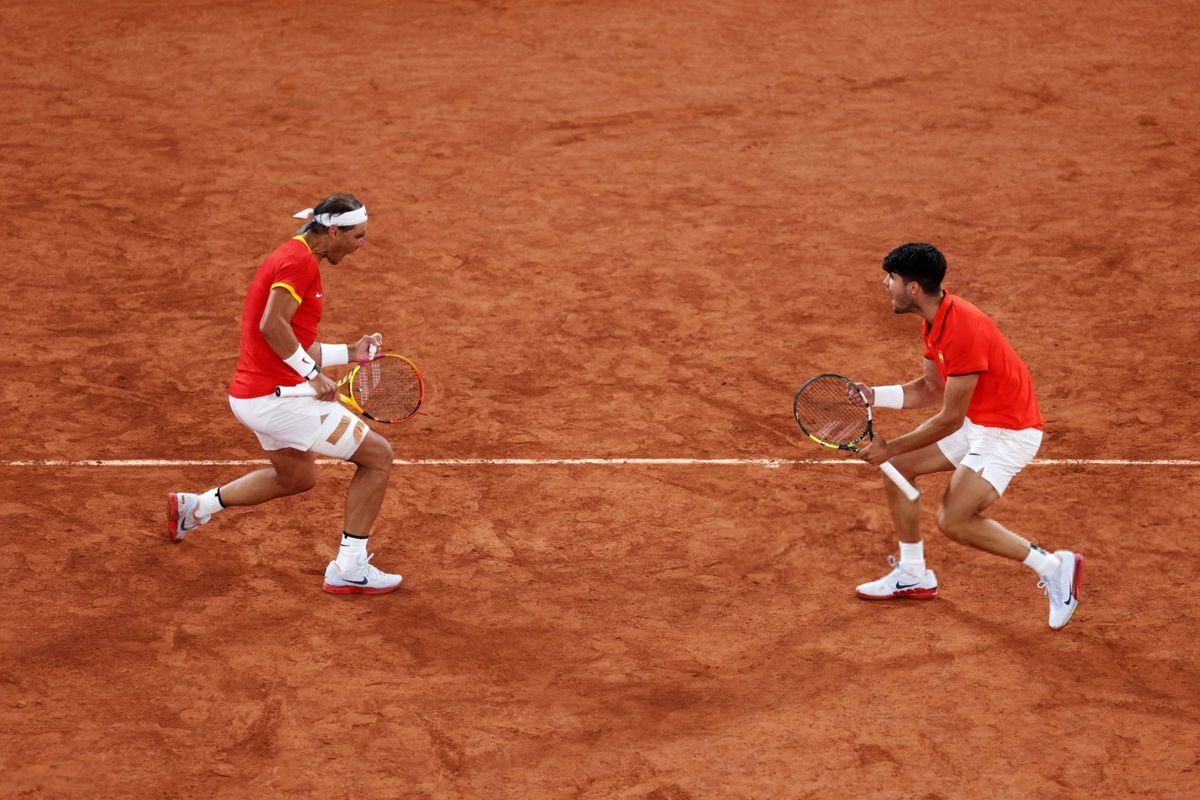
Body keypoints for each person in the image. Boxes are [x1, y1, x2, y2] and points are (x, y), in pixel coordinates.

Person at [168, 193, 402, 595]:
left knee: (295, 477)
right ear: (333, 231)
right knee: (378, 457)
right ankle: (349, 568)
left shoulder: (298, 256)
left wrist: (350, 352)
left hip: (256, 397)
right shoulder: (298, 262)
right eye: (358, 236)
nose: (362, 244)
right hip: (277, 400)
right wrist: (312, 376)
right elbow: (271, 325)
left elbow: (290, 338)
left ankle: (195, 507)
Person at [853, 243, 1083, 630]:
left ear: (911, 288)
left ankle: (1054, 566)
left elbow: (948, 418)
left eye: (890, 279)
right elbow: (931, 388)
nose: (884, 284)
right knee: (897, 469)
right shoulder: (935, 321)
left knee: (954, 519)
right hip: (979, 423)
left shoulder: (962, 329)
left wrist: (889, 446)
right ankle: (913, 574)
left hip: (1009, 432)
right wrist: (876, 396)